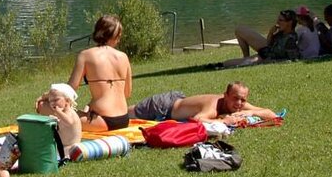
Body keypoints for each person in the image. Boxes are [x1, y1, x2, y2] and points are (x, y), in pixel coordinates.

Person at [67, 15, 132, 131]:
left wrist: (47, 96)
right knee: (85, 108)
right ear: (114, 35)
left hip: (102, 121)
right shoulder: (123, 57)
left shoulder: (85, 55)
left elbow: (69, 91)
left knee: (46, 107)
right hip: (123, 119)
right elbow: (126, 93)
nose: (119, 39)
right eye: (118, 36)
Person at [129, 82, 278, 124]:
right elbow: (197, 119)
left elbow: (272, 114)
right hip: (162, 106)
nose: (239, 103)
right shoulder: (214, 106)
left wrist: (251, 112)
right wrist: (225, 121)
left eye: (243, 100)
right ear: (225, 95)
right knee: (122, 114)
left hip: (179, 100)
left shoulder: (238, 104)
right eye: (235, 98)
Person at [224, 9, 300, 67]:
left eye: (280, 20)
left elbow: (293, 59)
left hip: (266, 57)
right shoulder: (282, 32)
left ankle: (223, 64)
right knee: (239, 29)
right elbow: (269, 43)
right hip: (267, 50)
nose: (277, 22)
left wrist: (268, 62)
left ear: (289, 23)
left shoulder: (290, 40)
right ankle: (246, 57)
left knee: (230, 63)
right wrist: (271, 33)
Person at [34, 83, 81, 158]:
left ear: (67, 101)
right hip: (63, 145)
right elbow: (62, 124)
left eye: (56, 100)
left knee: (42, 153)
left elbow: (69, 122)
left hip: (70, 147)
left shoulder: (70, 112)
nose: (53, 103)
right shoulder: (64, 113)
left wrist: (58, 112)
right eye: (50, 101)